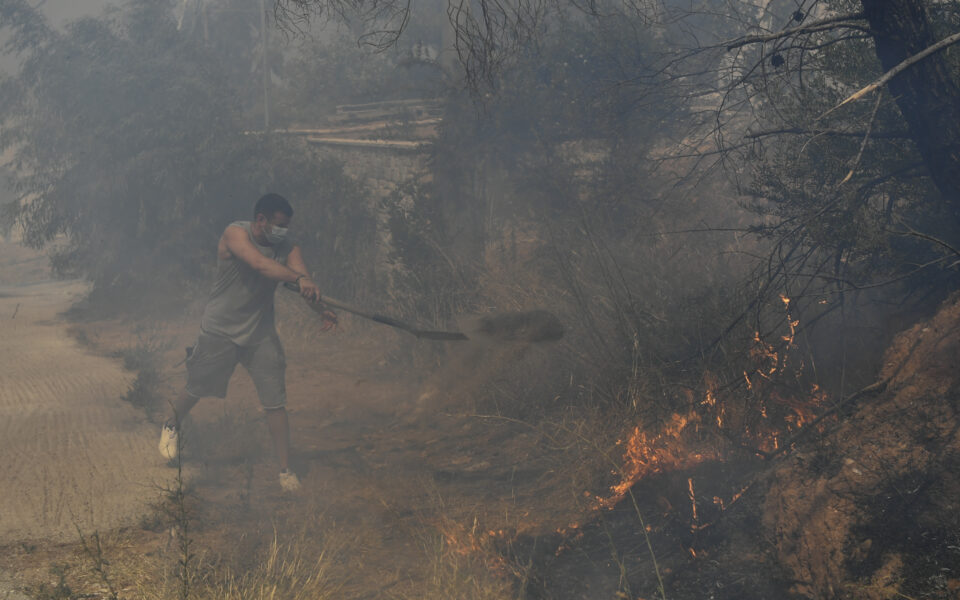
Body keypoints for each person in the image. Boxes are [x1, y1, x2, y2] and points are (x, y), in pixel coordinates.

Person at [158, 193, 334, 492]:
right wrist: (299, 279)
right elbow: (261, 266)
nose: (283, 231)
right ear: (261, 219)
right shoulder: (235, 234)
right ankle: (171, 424)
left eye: (287, 226)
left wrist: (321, 309)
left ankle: (285, 470)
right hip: (220, 330)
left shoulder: (289, 248)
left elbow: (303, 280)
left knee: (275, 402)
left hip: (260, 334)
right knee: (198, 387)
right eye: (278, 225)